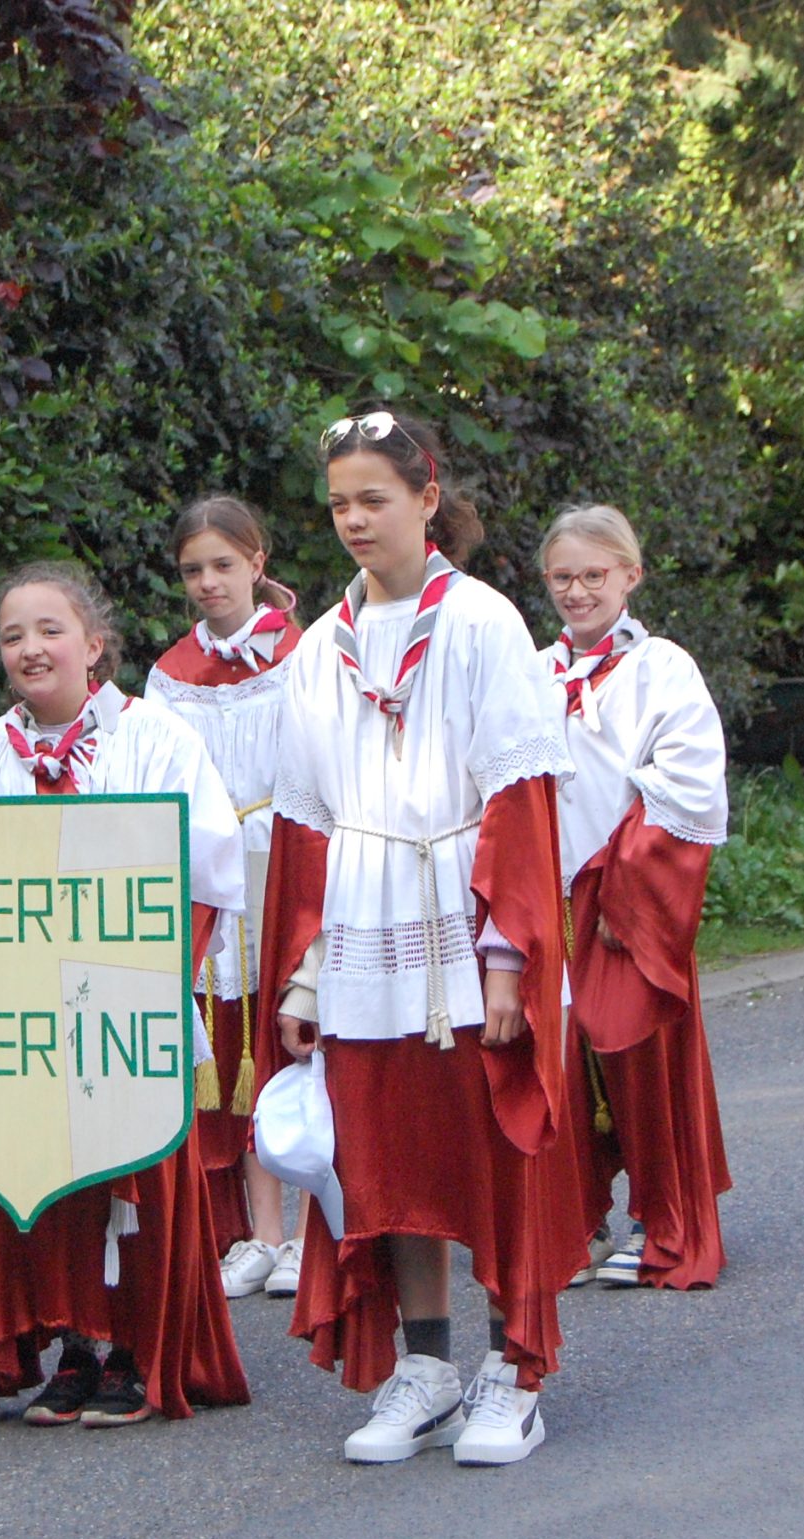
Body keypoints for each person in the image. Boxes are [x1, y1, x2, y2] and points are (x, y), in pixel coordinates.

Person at [253, 408, 579, 1467]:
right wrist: (301, 980)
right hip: (362, 930)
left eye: (374, 499)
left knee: (491, 1152)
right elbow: (303, 833)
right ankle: (427, 1364)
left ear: (426, 499)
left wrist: (506, 956)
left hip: (461, 920)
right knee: (386, 1157)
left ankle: (513, 1371)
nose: (353, 519)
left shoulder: (483, 623)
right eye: (339, 502)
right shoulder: (317, 650)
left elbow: (523, 800)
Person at [0, 563, 252, 1427]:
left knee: (129, 1177)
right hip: (24, 1016)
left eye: (49, 630)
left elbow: (206, 866)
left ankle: (140, 1350)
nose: (31, 648)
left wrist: (130, 978)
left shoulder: (159, 741)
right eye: (12, 636)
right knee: (50, 1187)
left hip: (124, 1007)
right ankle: (73, 1343)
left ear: (94, 644)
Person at [535, 505, 733, 1292]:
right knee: (557, 1067)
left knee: (634, 1051)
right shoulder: (532, 669)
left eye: (593, 575)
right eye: (562, 578)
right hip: (545, 899)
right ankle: (577, 1220)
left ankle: (666, 1216)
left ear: (630, 576)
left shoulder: (664, 669)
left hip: (621, 899)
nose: (577, 592)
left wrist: (625, 892)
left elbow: (687, 783)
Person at [146, 496, 313, 1302]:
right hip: (216, 867)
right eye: (192, 571)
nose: (208, 583)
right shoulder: (170, 674)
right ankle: (261, 1227)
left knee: (295, 1035)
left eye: (222, 565)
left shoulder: (304, 654)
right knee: (235, 1042)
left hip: (285, 858)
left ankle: (314, 1228)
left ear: (257, 561)